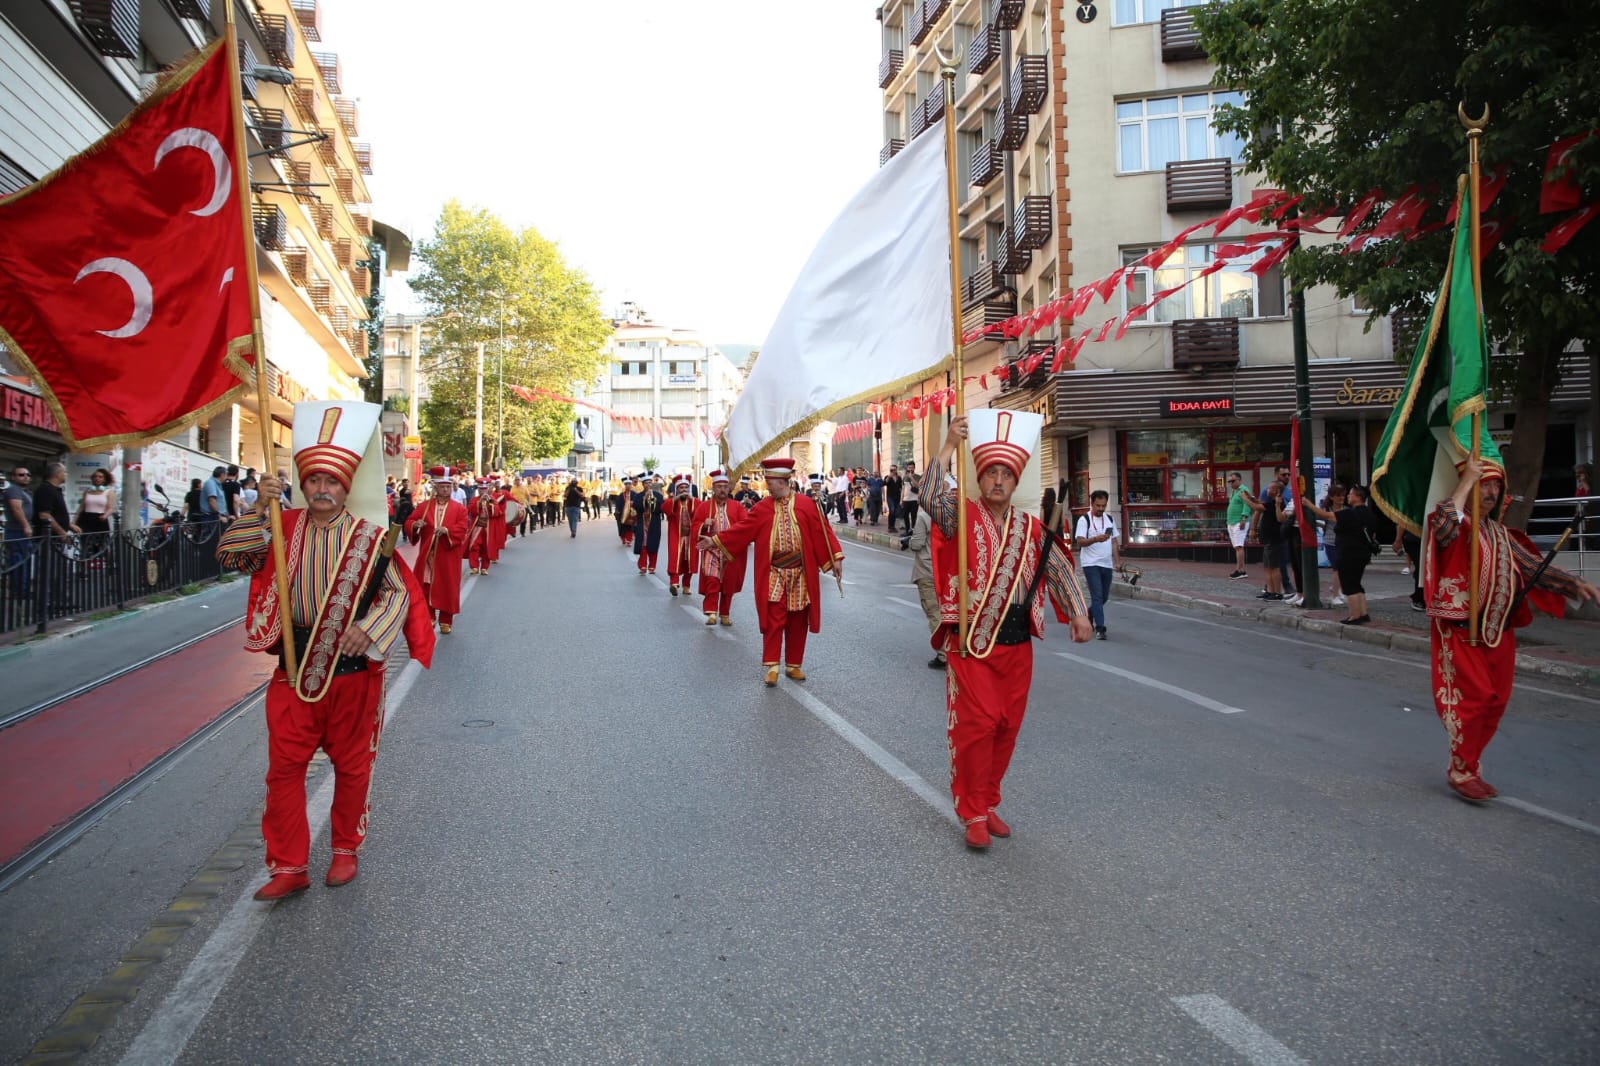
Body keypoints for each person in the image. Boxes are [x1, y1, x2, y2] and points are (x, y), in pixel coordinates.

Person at [215, 401, 434, 900]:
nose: (320, 490)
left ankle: (344, 851)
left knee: (353, 767)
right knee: (283, 771)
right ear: (302, 484)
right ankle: (289, 866)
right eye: (313, 480)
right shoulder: (280, 524)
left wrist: (371, 628)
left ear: (345, 487)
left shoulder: (371, 537)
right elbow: (231, 555)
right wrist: (256, 508)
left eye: (330, 482)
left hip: (353, 674)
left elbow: (399, 594)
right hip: (293, 671)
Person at [923, 412, 1091, 849]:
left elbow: (1058, 568)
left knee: (1006, 727)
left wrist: (1078, 612)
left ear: (1016, 483)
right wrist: (947, 445)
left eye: (1006, 474)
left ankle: (990, 801)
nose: (998, 481)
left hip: (1017, 644)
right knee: (977, 726)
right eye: (991, 473)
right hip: (971, 642)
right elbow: (928, 497)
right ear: (980, 478)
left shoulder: (1031, 527)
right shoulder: (959, 514)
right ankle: (972, 811)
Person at [1423, 458, 1599, 802]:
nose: (1490, 492)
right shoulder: (1455, 524)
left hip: (1497, 629)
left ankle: (1470, 764)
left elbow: (1534, 567)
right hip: (1462, 629)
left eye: (1494, 486)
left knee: (1496, 702)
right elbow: (1443, 526)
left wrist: (1574, 584)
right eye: (1483, 484)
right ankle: (1461, 770)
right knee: (1473, 700)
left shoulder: (1501, 534)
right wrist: (1465, 481)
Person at [699, 457, 844, 687]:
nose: (767, 485)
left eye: (770, 481)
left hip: (801, 573)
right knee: (774, 616)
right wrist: (715, 541)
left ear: (782, 481)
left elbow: (823, 532)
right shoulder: (762, 508)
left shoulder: (807, 505)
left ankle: (793, 665)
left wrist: (835, 557)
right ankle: (772, 665)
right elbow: (741, 530)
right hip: (774, 572)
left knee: (797, 618)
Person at [403, 467, 469, 633]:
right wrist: (415, 526)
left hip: (448, 554)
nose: (445, 489)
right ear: (435, 488)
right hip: (428, 554)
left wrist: (446, 531)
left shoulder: (459, 508)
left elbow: (462, 528)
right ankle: (429, 616)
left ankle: (446, 620)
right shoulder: (424, 506)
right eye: (442, 487)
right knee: (426, 584)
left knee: (447, 586)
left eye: (448, 486)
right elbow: (410, 521)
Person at [691, 470, 749, 625]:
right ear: (713, 488)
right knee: (712, 579)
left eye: (725, 486)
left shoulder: (737, 507)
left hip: (731, 550)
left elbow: (745, 526)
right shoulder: (704, 507)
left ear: (729, 488)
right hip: (711, 549)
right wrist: (703, 525)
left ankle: (724, 613)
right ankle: (711, 612)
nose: (722, 489)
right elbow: (694, 526)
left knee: (728, 583)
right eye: (719, 486)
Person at [1073, 489, 1119, 639]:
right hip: (1090, 563)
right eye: (1098, 505)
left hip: (1106, 564)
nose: (1100, 509)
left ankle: (1088, 614)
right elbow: (1080, 541)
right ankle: (1100, 628)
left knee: (1104, 597)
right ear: (1092, 503)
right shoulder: (1084, 520)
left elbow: (1113, 541)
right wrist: (1095, 539)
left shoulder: (1110, 519)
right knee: (1097, 596)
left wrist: (1117, 562)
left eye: (1103, 506)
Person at [1330, 485, 1375, 624]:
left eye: (1350, 494)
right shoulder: (1369, 513)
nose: (1348, 496)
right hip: (1362, 554)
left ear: (1358, 497)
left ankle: (1355, 616)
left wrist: (1308, 505)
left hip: (1349, 554)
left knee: (1349, 585)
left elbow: (1326, 515)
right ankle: (1363, 613)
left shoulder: (1351, 513)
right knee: (1356, 584)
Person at [907, 501, 944, 669]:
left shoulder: (924, 516)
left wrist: (909, 540)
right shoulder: (951, 515)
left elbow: (916, 544)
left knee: (934, 612)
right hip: (948, 571)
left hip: (928, 570)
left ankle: (944, 654)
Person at [1245, 472, 1287, 601]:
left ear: (1276, 491)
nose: (1267, 490)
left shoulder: (1276, 504)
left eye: (1270, 488)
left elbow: (1256, 507)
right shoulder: (1269, 503)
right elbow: (1258, 503)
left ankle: (1277, 592)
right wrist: (1251, 498)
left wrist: (1244, 498)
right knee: (1268, 566)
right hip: (1268, 539)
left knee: (1274, 567)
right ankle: (1270, 590)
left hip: (1274, 539)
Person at [662, 475, 699, 595]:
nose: (683, 490)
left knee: (690, 561)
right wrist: (676, 498)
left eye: (685, 487)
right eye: (681, 488)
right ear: (676, 489)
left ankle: (686, 585)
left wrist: (692, 499)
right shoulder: (672, 502)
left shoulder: (694, 502)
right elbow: (665, 507)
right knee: (675, 559)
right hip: (676, 536)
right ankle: (674, 582)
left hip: (690, 537)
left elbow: (700, 510)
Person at [4, 464, 33, 600]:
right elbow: (16, 509)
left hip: (21, 531)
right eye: (21, 475)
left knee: (24, 561)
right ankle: (18, 591)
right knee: (18, 561)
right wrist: (26, 526)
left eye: (27, 475)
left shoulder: (24, 491)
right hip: (17, 531)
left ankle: (23, 591)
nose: (26, 477)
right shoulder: (13, 490)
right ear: (13, 477)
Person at [631, 474, 665, 574]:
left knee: (653, 544)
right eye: (646, 483)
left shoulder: (658, 495)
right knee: (643, 545)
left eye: (650, 482)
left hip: (654, 523)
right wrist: (644, 500)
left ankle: (652, 565)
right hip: (642, 523)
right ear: (643, 484)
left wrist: (652, 500)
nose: (649, 485)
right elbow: (636, 507)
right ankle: (642, 565)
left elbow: (660, 509)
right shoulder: (638, 496)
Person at [464, 479, 499, 576]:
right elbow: (471, 510)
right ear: (478, 489)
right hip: (477, 527)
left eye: (484, 489)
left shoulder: (492, 499)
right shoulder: (474, 499)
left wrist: (490, 503)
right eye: (480, 489)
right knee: (474, 546)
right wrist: (480, 503)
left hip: (487, 528)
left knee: (486, 548)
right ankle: (474, 567)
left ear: (487, 489)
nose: (482, 491)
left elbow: (496, 512)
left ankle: (484, 567)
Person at [1225, 473, 1253, 579]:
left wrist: (1244, 518)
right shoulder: (1234, 491)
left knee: (1239, 546)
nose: (1231, 483)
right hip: (1232, 521)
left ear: (1239, 480)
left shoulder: (1243, 490)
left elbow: (1247, 504)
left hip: (1239, 521)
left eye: (1233, 481)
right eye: (1230, 481)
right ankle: (1241, 569)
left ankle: (1239, 570)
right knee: (1237, 546)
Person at [74, 467, 117, 536]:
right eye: (95, 476)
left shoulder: (109, 492)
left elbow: (110, 508)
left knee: (100, 544)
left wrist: (105, 515)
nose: (97, 478)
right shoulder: (87, 491)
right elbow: (81, 508)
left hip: (100, 520)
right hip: (86, 519)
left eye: (100, 477)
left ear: (104, 479)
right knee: (86, 543)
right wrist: (74, 521)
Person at [884, 466, 904, 533]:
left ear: (896, 470)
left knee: (895, 512)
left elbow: (901, 488)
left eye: (894, 469)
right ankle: (890, 527)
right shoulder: (887, 477)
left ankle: (892, 526)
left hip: (897, 497)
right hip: (890, 497)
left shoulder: (899, 478)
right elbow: (885, 483)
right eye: (891, 469)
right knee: (892, 510)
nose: (892, 471)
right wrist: (889, 477)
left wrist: (902, 497)